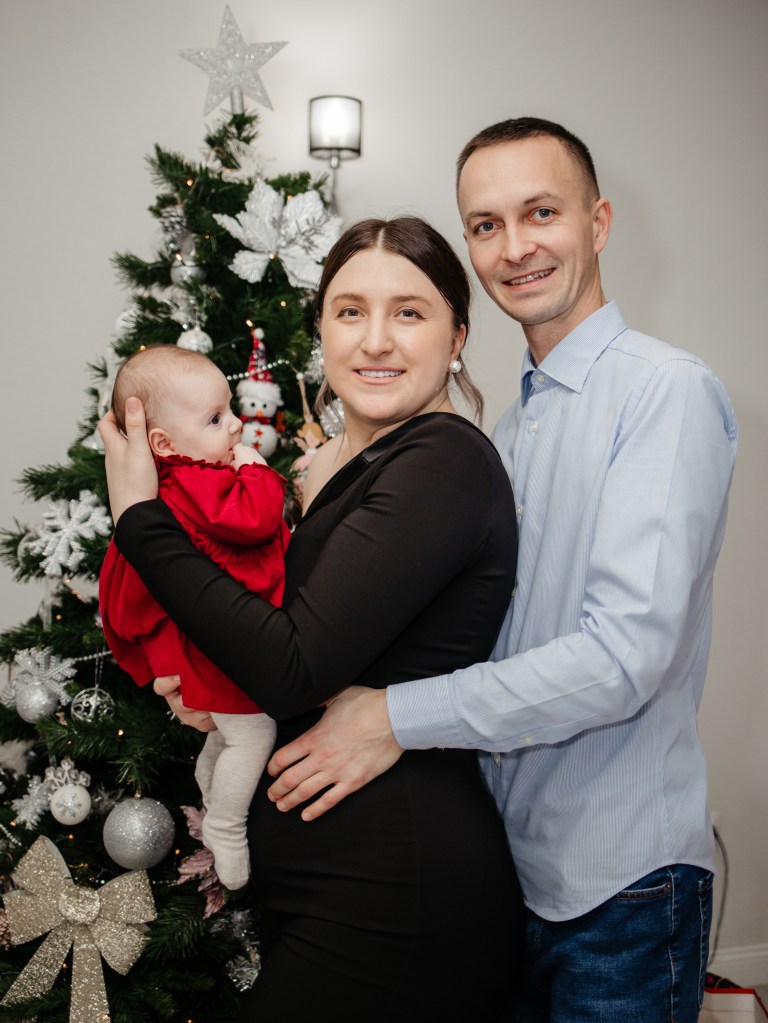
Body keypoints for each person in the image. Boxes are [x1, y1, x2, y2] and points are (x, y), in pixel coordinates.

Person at [263, 118, 739, 1023]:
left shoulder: (664, 390)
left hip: (622, 884)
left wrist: (395, 714)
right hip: (511, 872)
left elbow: (624, 657)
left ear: (598, 222)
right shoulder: (506, 429)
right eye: (486, 224)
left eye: (541, 213)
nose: (515, 247)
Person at [98, 217, 526, 1020]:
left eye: (409, 312)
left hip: (396, 899)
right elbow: (276, 643)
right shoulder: (340, 472)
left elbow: (292, 665)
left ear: (457, 338)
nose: (376, 339)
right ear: (321, 328)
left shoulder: (444, 461)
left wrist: (141, 519)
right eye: (350, 310)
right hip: (335, 894)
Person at [99, 344, 290, 890]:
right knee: (254, 733)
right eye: (214, 418)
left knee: (228, 734)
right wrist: (257, 471)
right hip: (214, 648)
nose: (236, 425)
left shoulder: (173, 481)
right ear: (163, 444)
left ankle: (209, 775)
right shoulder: (194, 479)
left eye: (230, 409)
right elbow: (254, 519)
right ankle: (225, 825)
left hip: (201, 641)